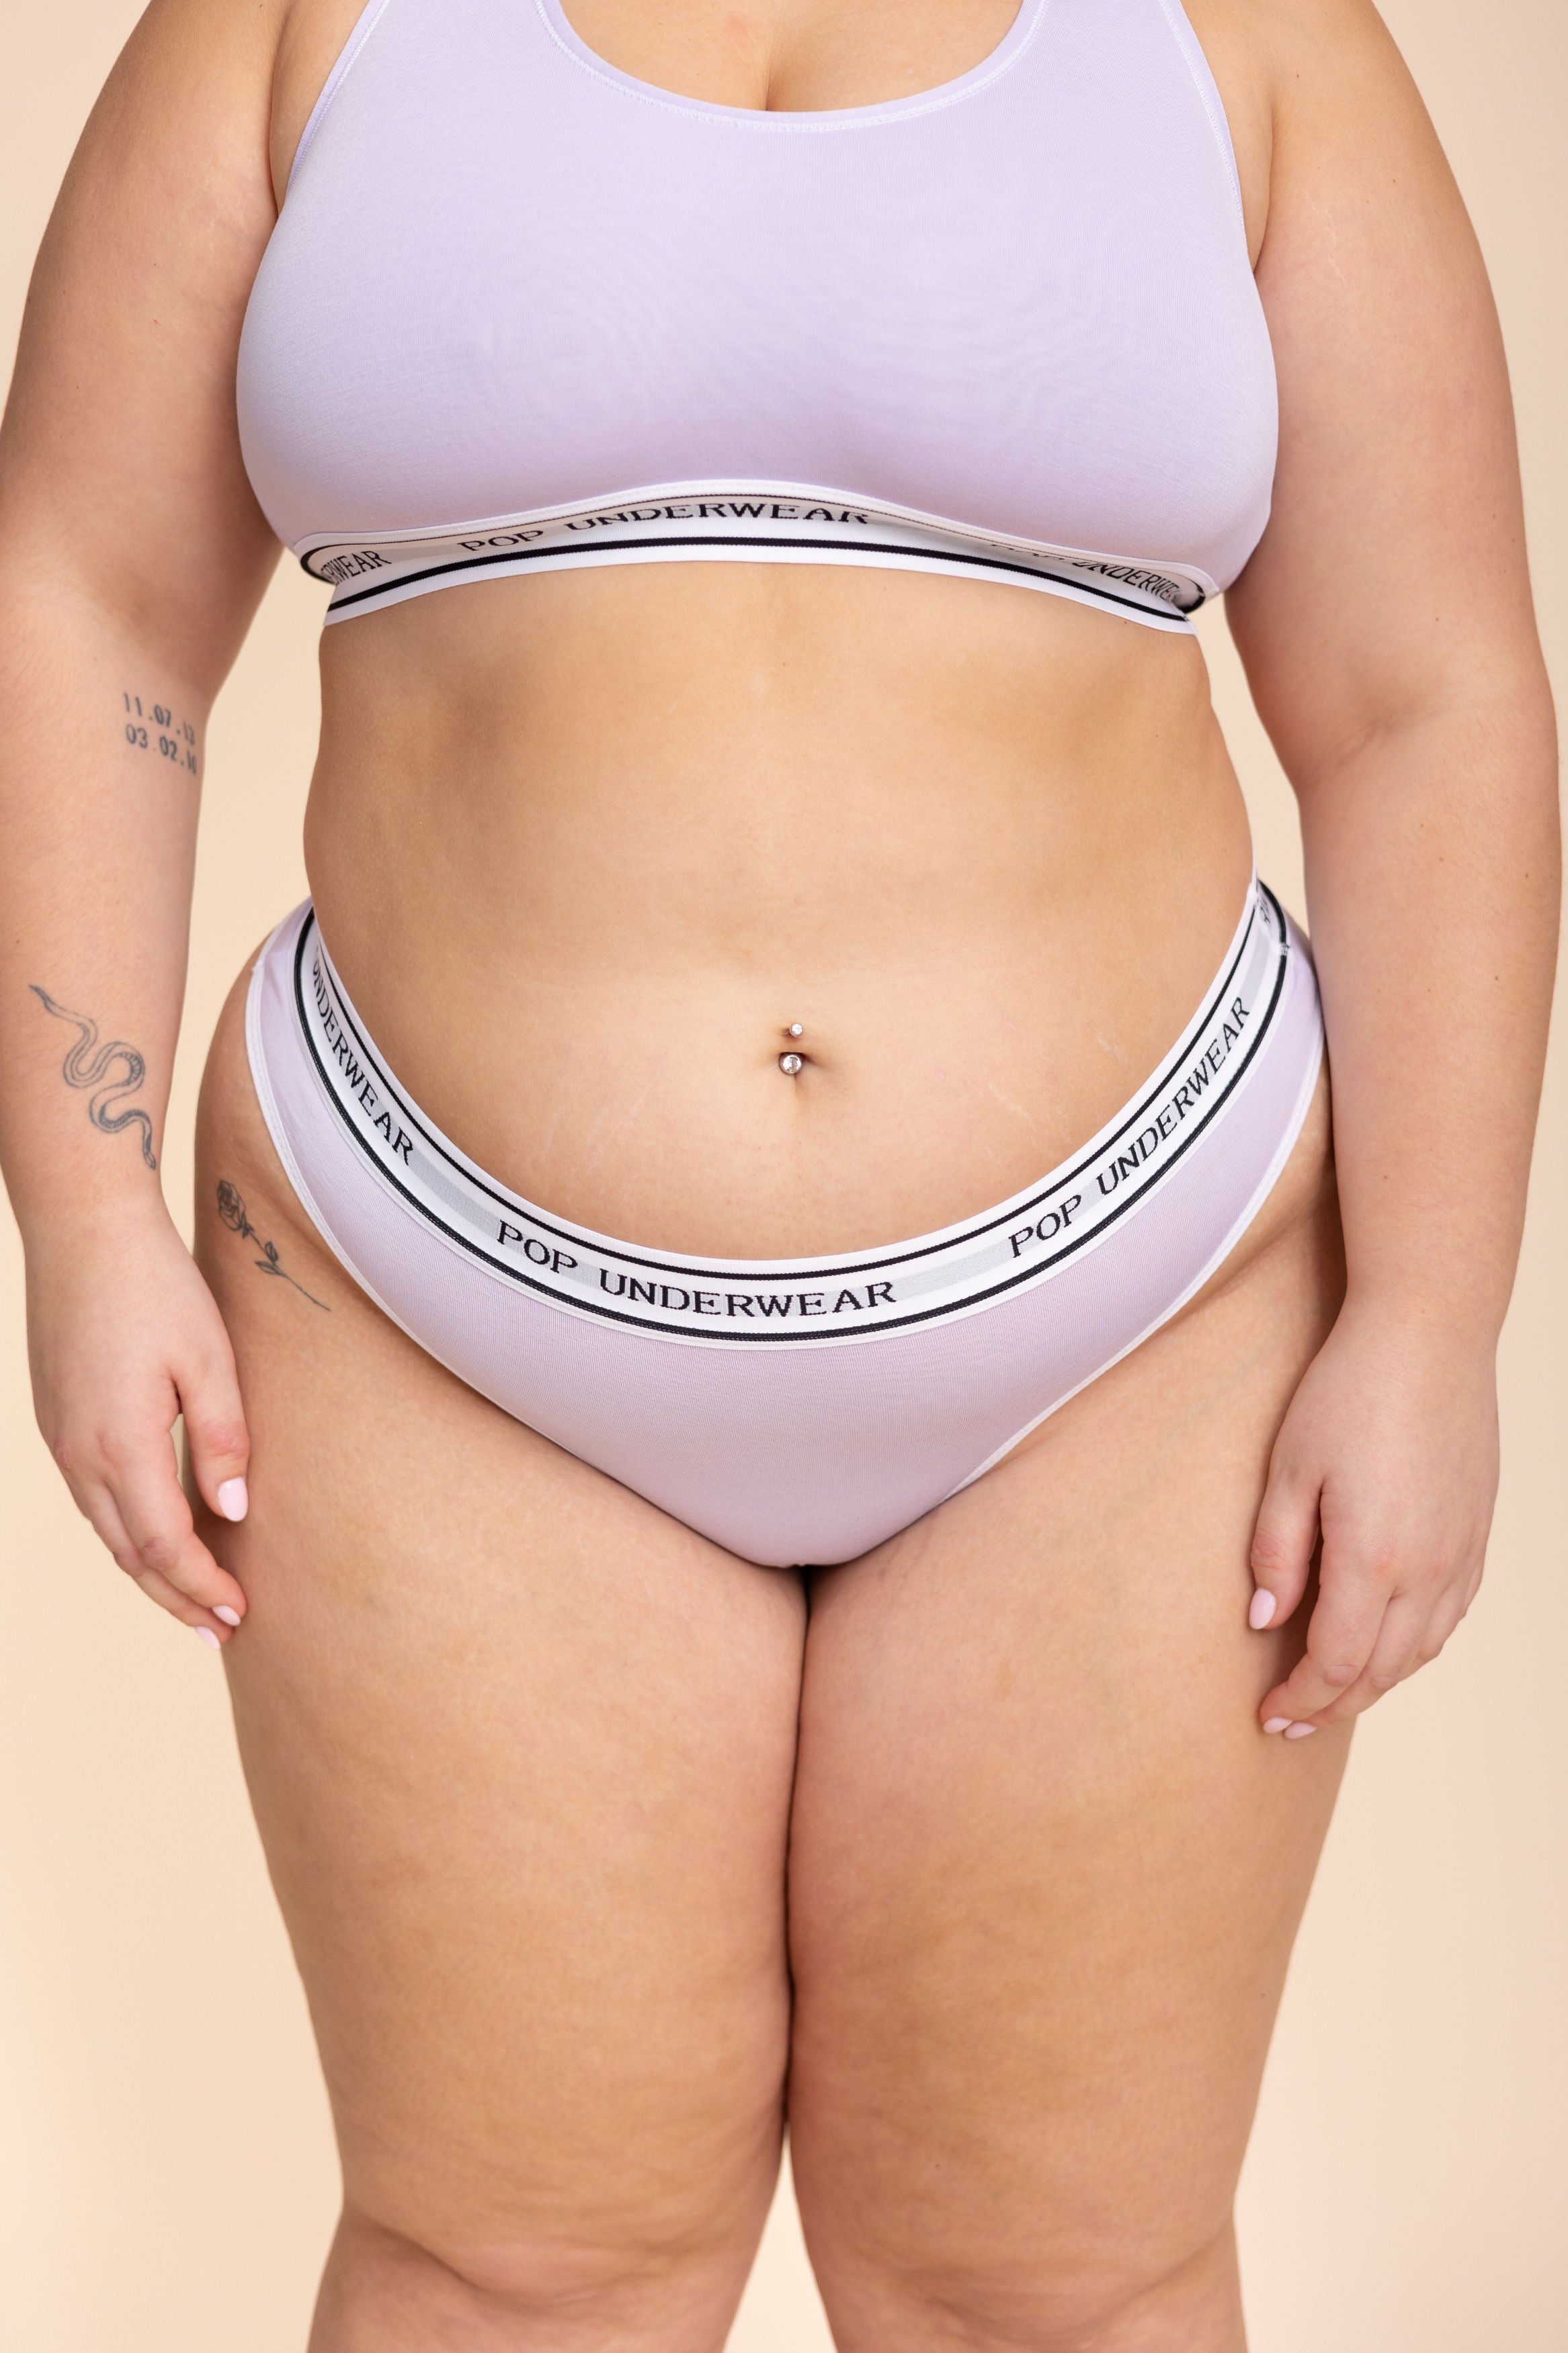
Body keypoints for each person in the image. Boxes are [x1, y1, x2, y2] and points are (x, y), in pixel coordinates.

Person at [0, 0, 1557, 2342]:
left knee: (1062, 2284)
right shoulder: (289, 26)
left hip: (1147, 1318)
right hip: (428, 1308)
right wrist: (84, 1213)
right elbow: (82, 597)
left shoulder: (1252, 42)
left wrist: (1435, 1311)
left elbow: (1429, 691)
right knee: (513, 2275)